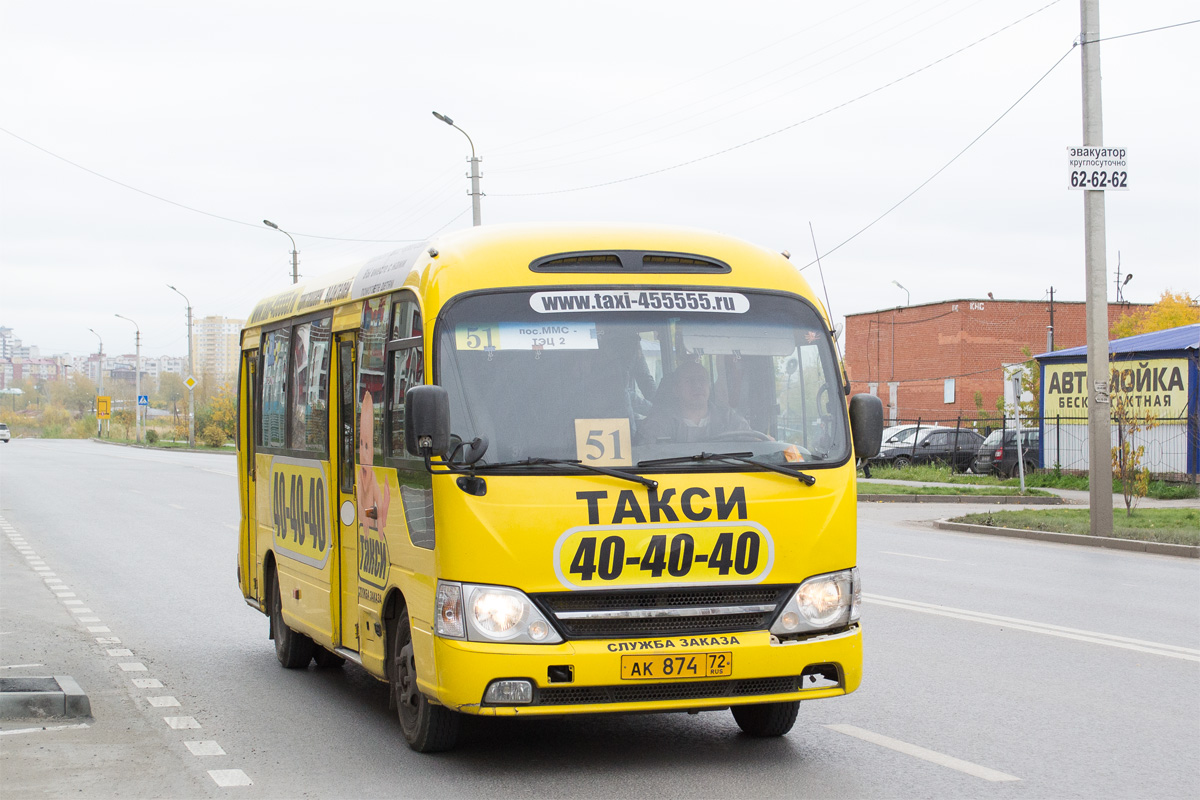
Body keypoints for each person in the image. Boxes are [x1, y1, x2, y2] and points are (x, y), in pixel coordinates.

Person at [637, 360, 751, 444]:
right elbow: (645, 456)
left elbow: (754, 446)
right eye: (689, 380)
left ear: (709, 386)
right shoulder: (657, 424)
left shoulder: (729, 419)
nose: (697, 385)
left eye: (702, 380)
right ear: (676, 389)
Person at [357, 391, 390, 531]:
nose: (364, 454)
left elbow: (381, 506)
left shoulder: (373, 478)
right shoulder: (358, 477)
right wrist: (371, 513)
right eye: (361, 444)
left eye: (367, 446)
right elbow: (358, 508)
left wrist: (383, 505)